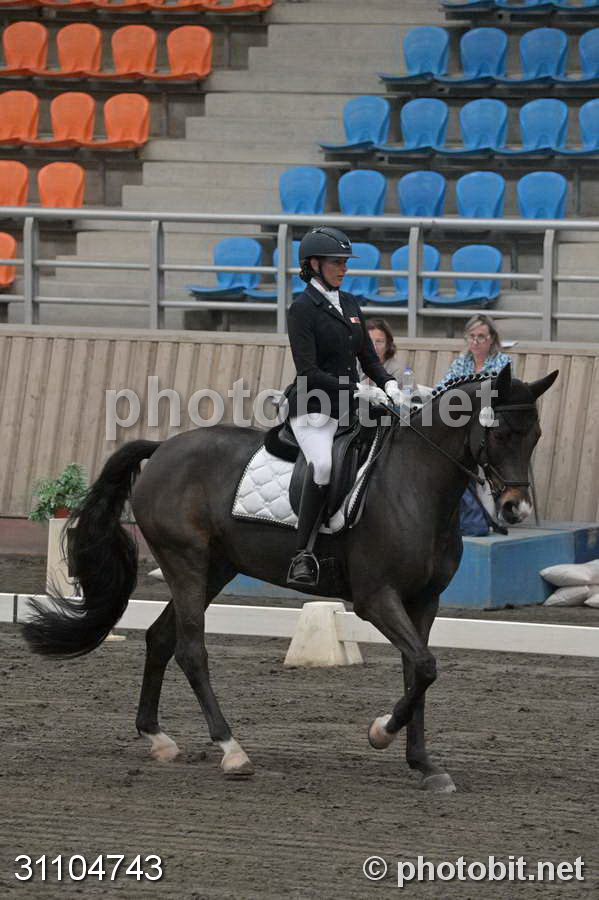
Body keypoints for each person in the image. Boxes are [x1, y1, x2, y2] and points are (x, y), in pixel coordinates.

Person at [284, 226, 402, 587]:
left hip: (350, 406)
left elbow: (367, 356)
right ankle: (302, 553)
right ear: (313, 264)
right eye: (336, 262)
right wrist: (357, 389)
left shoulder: (349, 303)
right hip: (314, 406)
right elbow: (308, 370)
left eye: (345, 262)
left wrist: (388, 383)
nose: (343, 268)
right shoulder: (302, 309)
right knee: (322, 465)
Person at [437, 314, 512, 389]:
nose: (475, 342)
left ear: (492, 338)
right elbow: (442, 388)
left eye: (481, 337)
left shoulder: (503, 362)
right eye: (471, 336)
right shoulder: (460, 362)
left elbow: (505, 391)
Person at [359, 317, 404, 385]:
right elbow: (343, 390)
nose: (374, 347)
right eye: (369, 341)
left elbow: (398, 391)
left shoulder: (397, 370)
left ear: (388, 345)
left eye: (379, 341)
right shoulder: (351, 364)